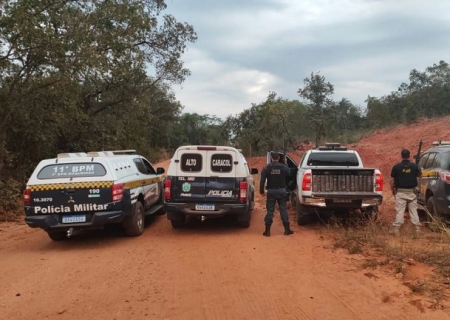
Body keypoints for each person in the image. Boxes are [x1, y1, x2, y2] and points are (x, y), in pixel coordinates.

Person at [260, 151, 293, 237]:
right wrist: (286, 164)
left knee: (270, 211)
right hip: (282, 191)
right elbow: (289, 174)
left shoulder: (267, 168)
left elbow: (262, 180)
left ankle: (267, 231)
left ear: (271, 158)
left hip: (271, 192)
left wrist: (261, 191)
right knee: (283, 210)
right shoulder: (283, 167)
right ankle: (287, 230)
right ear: (279, 158)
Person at [390, 149, 422, 237]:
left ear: (401, 156)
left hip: (400, 192)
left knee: (400, 211)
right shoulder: (414, 166)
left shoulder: (396, 167)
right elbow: (419, 175)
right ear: (409, 155)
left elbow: (392, 180)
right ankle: (417, 230)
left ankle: (396, 230)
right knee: (413, 211)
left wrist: (393, 190)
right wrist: (416, 165)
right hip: (412, 193)